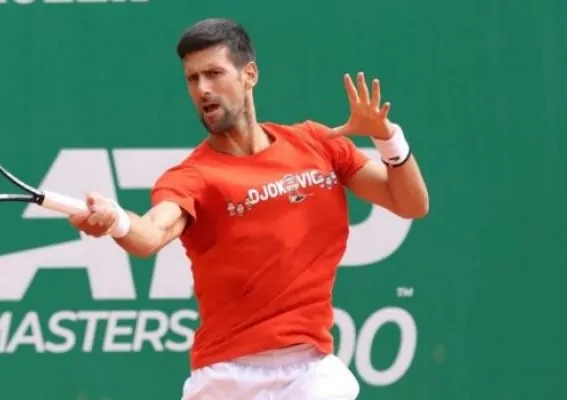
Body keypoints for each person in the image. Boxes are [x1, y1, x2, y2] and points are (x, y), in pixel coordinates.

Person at [68, 17, 429, 400]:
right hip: (225, 378)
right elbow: (150, 235)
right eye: (192, 79)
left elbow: (410, 203)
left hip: (311, 372)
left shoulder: (317, 144)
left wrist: (388, 137)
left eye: (214, 74)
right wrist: (117, 220)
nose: (203, 89)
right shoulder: (192, 177)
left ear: (249, 75)